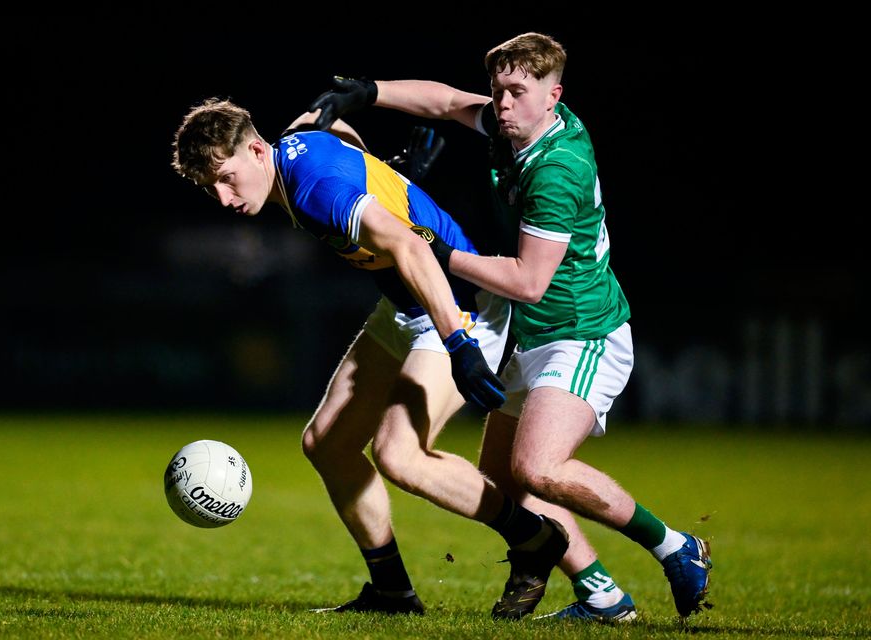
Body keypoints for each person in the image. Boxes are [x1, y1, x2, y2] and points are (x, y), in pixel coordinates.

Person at [310, 32, 712, 623]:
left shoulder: (557, 169)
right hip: (533, 334)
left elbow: (528, 281)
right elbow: (448, 102)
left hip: (581, 331)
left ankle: (675, 545)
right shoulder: (518, 125)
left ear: (554, 96)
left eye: (516, 92)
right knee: (505, 476)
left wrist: (437, 252)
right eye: (498, 90)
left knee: (538, 468)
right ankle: (603, 596)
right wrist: (371, 93)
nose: (501, 103)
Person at [171, 99, 570, 616]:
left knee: (399, 455)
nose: (224, 198)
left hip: (456, 303)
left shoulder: (315, 189)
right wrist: (386, 172)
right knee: (327, 442)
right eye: (210, 189)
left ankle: (535, 537)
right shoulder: (291, 146)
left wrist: (459, 344)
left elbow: (411, 248)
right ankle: (392, 593)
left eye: (226, 179)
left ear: (256, 150)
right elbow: (327, 122)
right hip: (404, 301)